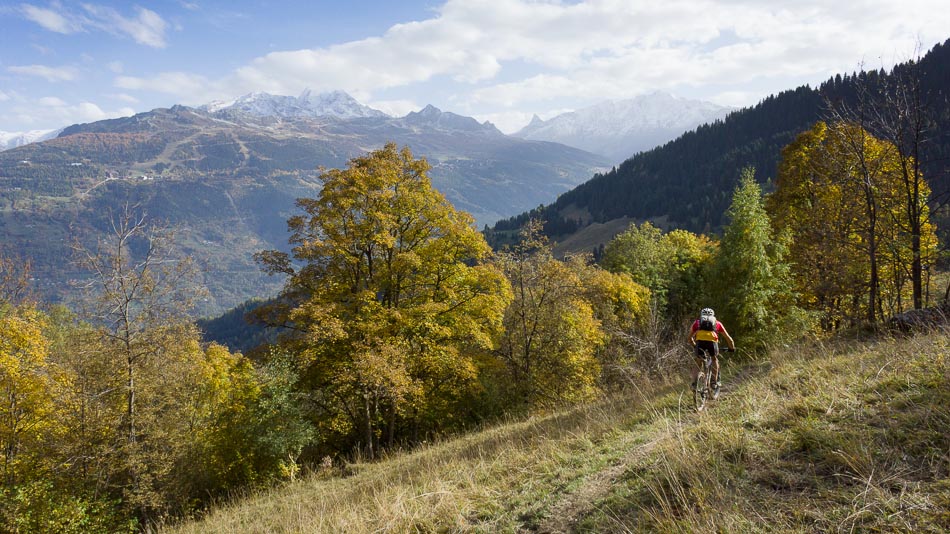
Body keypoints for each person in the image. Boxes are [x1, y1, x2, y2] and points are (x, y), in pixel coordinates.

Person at [688, 307, 735, 396]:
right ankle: (713, 382)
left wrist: (694, 345)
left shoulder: (697, 323)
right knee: (714, 359)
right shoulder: (717, 323)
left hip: (700, 343)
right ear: (713, 316)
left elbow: (689, 338)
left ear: (701, 315)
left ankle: (694, 384)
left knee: (698, 362)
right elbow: (728, 338)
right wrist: (732, 347)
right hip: (712, 344)